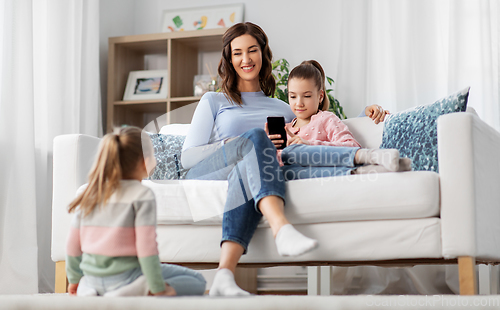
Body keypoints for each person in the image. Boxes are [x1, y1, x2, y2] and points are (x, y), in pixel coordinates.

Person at [181, 22, 389, 296]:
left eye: (252, 50)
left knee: (266, 157)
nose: (246, 59)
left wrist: (369, 113)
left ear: (263, 53)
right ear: (229, 59)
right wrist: (235, 144)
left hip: (247, 176)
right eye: (238, 53)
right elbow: (187, 158)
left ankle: (224, 277)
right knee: (256, 138)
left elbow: (319, 128)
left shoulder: (282, 107)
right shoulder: (213, 101)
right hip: (208, 171)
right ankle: (281, 228)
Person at [65, 126, 206, 297]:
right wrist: (157, 287)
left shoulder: (91, 194)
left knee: (90, 280)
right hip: (127, 277)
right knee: (198, 281)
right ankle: (131, 290)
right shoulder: (142, 195)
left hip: (92, 277)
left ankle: (88, 289)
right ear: (144, 162)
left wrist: (74, 280)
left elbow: (72, 246)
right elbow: (146, 248)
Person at [269, 60, 412, 180]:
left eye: (306, 96)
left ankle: (373, 157)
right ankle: (364, 172)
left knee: (296, 151)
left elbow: (351, 145)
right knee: (285, 166)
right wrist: (269, 147)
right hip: (301, 175)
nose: (298, 103)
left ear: (320, 96)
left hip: (325, 166)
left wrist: (308, 144)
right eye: (293, 96)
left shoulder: (325, 118)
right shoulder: (285, 129)